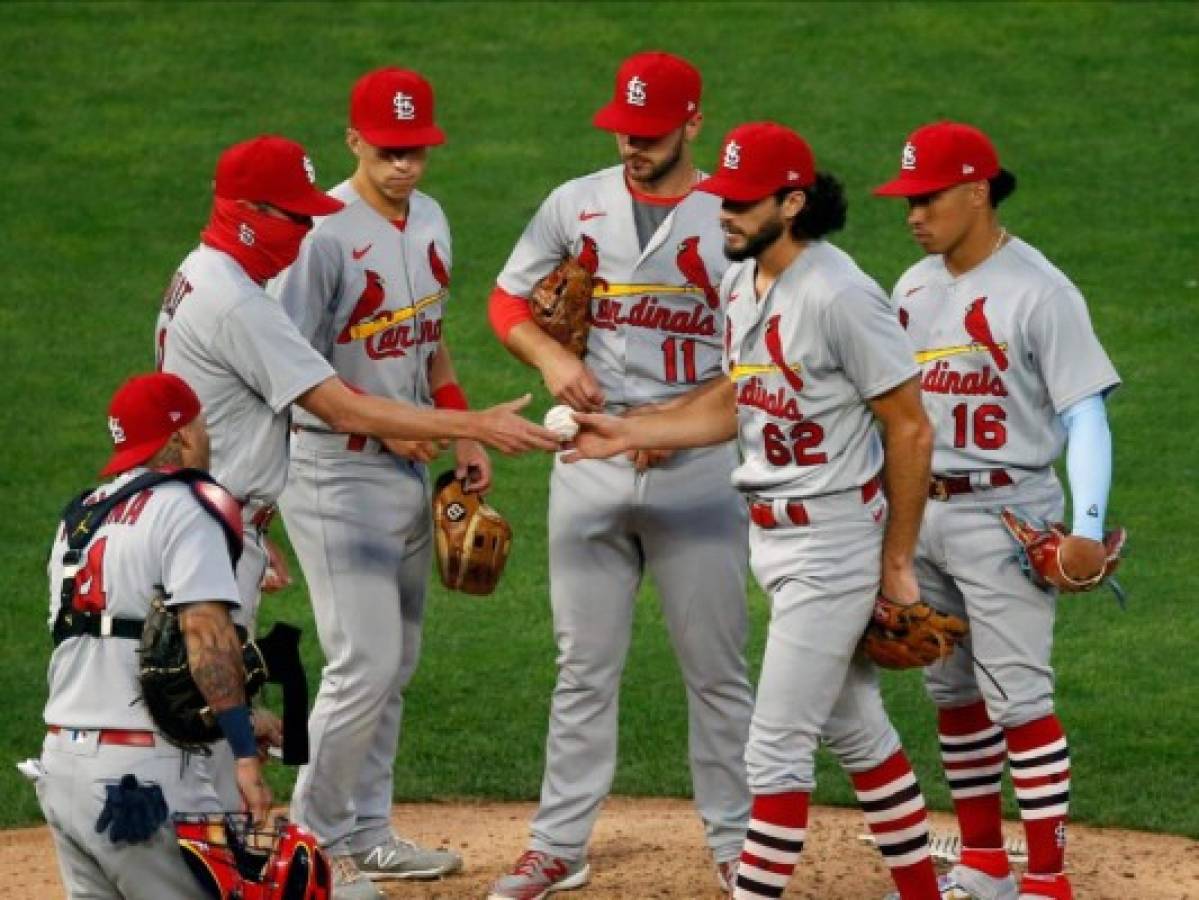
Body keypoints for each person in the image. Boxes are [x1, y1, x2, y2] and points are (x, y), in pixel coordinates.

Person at [566, 122, 945, 900]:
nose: (722, 215)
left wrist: (896, 563)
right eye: (721, 199)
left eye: (740, 203)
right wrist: (630, 432)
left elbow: (909, 424)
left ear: (792, 201)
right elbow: (740, 400)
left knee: (771, 750)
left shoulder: (840, 296)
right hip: (773, 540)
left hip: (832, 541)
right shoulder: (743, 283)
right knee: (854, 728)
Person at [154, 133, 558, 841]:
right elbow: (335, 405)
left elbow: (179, 419)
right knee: (213, 746)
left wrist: (246, 523)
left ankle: (349, 835)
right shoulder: (236, 303)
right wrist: (476, 423)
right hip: (234, 524)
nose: (307, 231)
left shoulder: (205, 273)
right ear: (247, 213)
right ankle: (311, 847)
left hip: (218, 523)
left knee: (223, 722)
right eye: (293, 217)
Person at [485, 51, 755, 898]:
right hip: (589, 464)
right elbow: (506, 302)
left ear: (691, 124)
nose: (632, 145)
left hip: (701, 471)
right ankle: (557, 846)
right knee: (582, 667)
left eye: (649, 133)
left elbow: (759, 358)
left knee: (714, 669)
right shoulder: (577, 203)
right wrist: (549, 356)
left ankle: (739, 845)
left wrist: (672, 427)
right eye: (623, 131)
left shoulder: (730, 219)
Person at [873, 122, 1121, 900]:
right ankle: (983, 865)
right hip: (922, 513)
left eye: (928, 197)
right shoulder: (910, 288)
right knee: (951, 695)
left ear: (977, 192)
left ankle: (1046, 881)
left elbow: (1085, 414)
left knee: (1019, 698)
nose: (913, 214)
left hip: (1008, 515)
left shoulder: (1040, 292)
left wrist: (1084, 529)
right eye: (907, 200)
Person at [268, 68, 476, 896]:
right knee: (364, 659)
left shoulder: (429, 217)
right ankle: (307, 848)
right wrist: (395, 427)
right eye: (390, 153)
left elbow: (428, 339)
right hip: (331, 471)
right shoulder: (319, 235)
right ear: (352, 140)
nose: (406, 167)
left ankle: (368, 830)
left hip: (408, 464)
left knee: (398, 659)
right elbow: (291, 372)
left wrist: (457, 425)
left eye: (418, 151)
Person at [37, 372, 271, 900]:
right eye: (203, 425)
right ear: (183, 435)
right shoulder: (188, 508)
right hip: (141, 780)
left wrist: (242, 716)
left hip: (62, 768)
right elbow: (205, 634)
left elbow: (113, 646)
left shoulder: (80, 517)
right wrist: (243, 754)